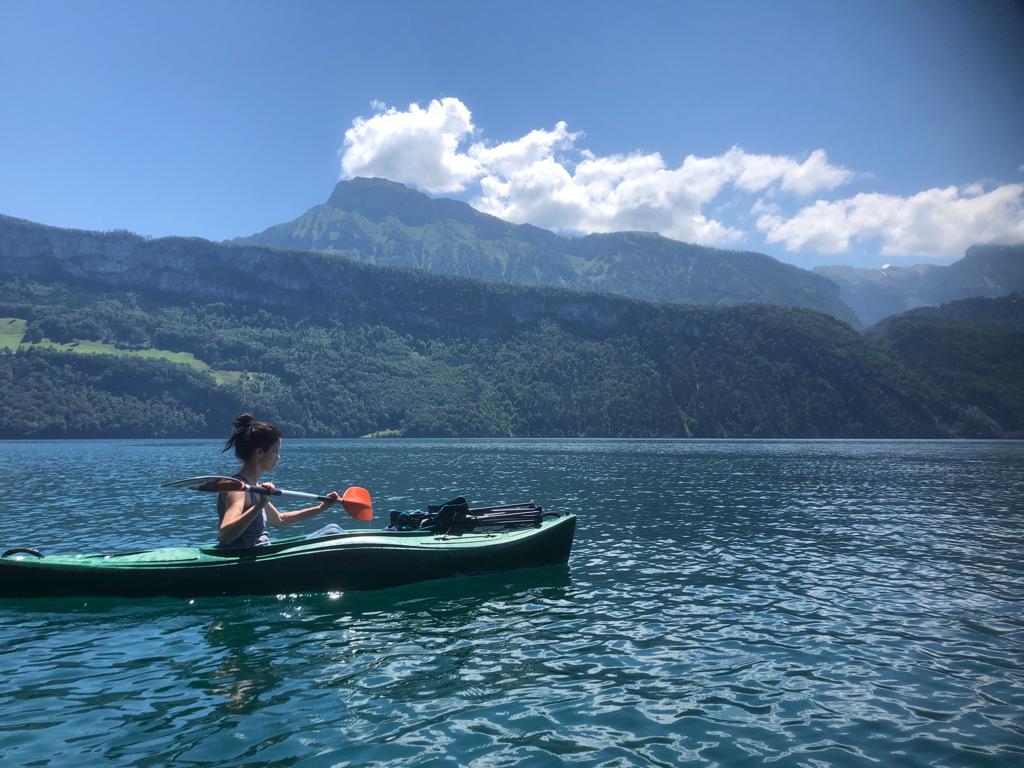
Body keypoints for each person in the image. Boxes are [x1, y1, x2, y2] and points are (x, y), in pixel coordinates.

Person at [217, 413, 345, 548]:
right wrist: (259, 506)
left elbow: (279, 520)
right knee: (332, 531)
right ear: (260, 453)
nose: (279, 458)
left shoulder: (256, 486)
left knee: (333, 528)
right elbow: (225, 536)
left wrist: (321, 508)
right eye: (276, 451)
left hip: (263, 552)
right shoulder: (238, 489)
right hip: (248, 560)